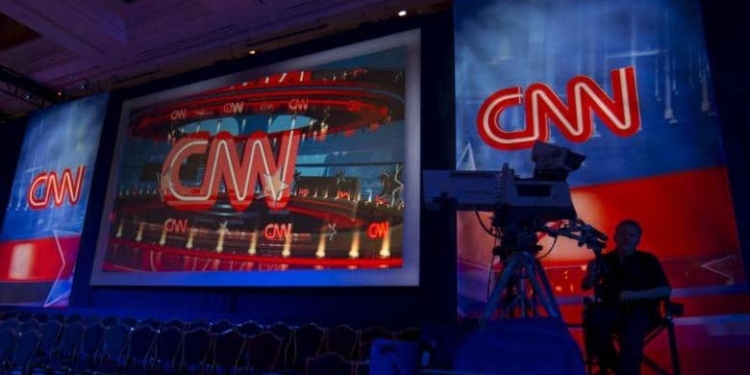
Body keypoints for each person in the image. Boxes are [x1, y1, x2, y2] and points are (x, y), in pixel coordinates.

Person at [581, 219, 671, 375]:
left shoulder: (648, 260)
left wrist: (636, 294)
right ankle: (617, 367)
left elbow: (665, 290)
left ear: (638, 240)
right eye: (622, 234)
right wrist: (590, 274)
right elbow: (586, 285)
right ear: (615, 237)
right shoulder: (605, 260)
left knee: (630, 330)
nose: (626, 239)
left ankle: (624, 370)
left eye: (632, 235)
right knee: (593, 322)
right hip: (611, 311)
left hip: (642, 312)